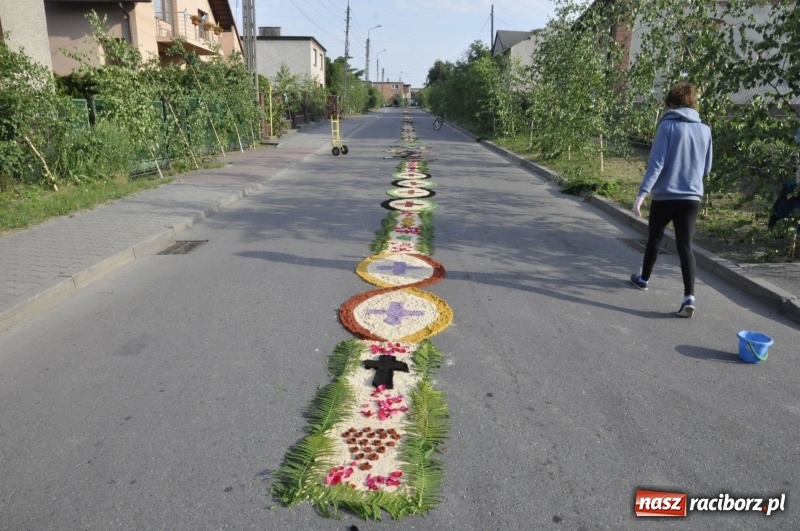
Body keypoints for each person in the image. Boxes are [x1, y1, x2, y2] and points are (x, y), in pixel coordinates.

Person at [630, 82, 713, 318]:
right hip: (691, 198)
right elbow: (706, 168)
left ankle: (644, 279)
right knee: (685, 246)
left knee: (655, 239)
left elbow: (657, 164)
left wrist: (641, 194)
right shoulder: (705, 130)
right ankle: (689, 297)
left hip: (665, 196)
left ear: (673, 104)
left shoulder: (667, 126)